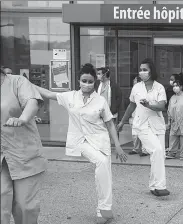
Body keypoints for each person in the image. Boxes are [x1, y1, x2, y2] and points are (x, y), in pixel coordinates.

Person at [35, 63, 127, 224]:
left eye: (90, 81)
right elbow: (49, 94)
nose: (87, 84)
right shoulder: (70, 96)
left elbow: (110, 123)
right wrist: (24, 84)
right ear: (79, 80)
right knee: (102, 162)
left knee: (106, 172)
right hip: (80, 140)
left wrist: (118, 146)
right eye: (84, 80)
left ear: (94, 82)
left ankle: (103, 211)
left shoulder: (100, 101)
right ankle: (104, 209)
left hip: (99, 139)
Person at [117, 58, 170, 197]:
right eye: (140, 69)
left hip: (157, 125)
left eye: (145, 69)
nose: (142, 72)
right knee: (157, 150)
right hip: (141, 125)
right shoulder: (136, 87)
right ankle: (160, 186)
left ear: (151, 71)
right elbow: (131, 105)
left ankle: (153, 187)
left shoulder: (159, 87)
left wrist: (149, 105)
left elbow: (162, 105)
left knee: (159, 155)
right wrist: (122, 122)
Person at [1, 67, 47, 224]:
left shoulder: (17, 82)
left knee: (25, 208)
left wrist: (22, 119)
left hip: (23, 155)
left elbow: (32, 103)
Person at [128, 76, 149, 157]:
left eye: (135, 82)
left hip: (143, 115)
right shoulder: (133, 91)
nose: (134, 84)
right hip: (135, 115)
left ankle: (145, 150)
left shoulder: (145, 91)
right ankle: (136, 148)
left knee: (144, 133)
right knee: (135, 134)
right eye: (134, 82)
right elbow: (131, 103)